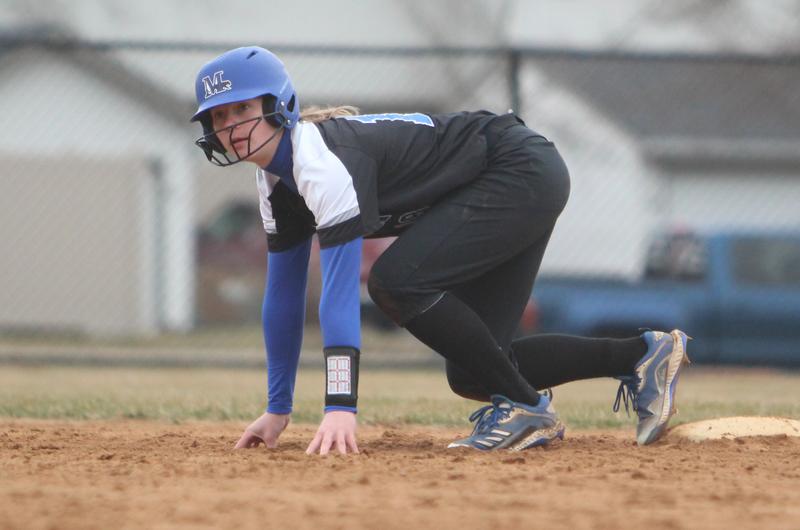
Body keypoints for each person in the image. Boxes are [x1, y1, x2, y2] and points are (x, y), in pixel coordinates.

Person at [190, 46, 690, 455]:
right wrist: (278, 408)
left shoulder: (322, 164)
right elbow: (282, 298)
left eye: (243, 109)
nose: (231, 126)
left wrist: (340, 405)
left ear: (281, 105)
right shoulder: (275, 182)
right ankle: (644, 355)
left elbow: (340, 293)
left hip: (516, 168)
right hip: (507, 178)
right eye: (218, 117)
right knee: (475, 370)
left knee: (394, 281)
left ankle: (526, 409)